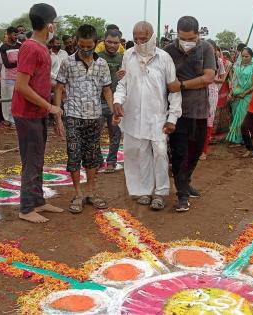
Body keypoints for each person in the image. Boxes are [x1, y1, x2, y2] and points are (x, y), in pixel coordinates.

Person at [113, 21, 182, 210]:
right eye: (135, 38)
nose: (139, 42)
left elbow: (174, 90)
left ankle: (160, 193)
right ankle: (144, 190)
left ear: (152, 36)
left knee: (160, 153)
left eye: (143, 39)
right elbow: (123, 84)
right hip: (134, 116)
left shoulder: (164, 58)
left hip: (157, 117)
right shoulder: (128, 56)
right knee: (138, 153)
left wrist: (172, 118)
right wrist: (117, 101)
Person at [11, 3, 64, 223]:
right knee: (31, 160)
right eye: (55, 22)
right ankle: (26, 208)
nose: (57, 26)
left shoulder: (42, 48)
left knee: (38, 158)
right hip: (27, 113)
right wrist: (50, 106)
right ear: (49, 25)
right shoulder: (31, 48)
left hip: (38, 112)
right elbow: (21, 86)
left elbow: (38, 80)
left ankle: (38, 200)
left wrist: (57, 89)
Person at [54, 24, 113, 213]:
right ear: (76, 42)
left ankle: (91, 193)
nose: (86, 49)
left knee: (92, 156)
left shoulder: (102, 64)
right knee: (74, 154)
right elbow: (59, 88)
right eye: (82, 45)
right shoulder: (67, 63)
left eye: (90, 46)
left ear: (96, 43)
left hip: (95, 117)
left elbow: (106, 89)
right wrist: (57, 115)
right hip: (72, 115)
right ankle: (78, 194)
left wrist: (112, 111)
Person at [164, 16, 216, 212]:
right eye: (183, 38)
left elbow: (208, 77)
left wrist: (182, 85)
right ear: (176, 33)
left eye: (191, 38)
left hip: (199, 110)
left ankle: (186, 182)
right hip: (176, 112)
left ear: (198, 34)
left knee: (195, 152)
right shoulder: (168, 50)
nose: (187, 42)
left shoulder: (206, 48)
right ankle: (182, 194)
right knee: (180, 153)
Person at [98, 29, 124, 173]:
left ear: (120, 43)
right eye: (109, 42)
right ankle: (98, 161)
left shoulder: (124, 58)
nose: (112, 45)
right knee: (96, 133)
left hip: (116, 102)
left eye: (116, 42)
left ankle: (111, 162)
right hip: (98, 101)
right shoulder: (97, 57)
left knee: (115, 134)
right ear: (104, 41)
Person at [201, 40, 226, 160]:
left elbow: (222, 79)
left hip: (211, 93)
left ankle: (204, 151)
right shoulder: (199, 59)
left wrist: (210, 79)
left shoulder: (219, 62)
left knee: (208, 122)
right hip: (198, 91)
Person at [226, 47, 253, 144]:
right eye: (242, 56)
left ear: (251, 56)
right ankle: (236, 139)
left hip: (247, 96)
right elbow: (233, 81)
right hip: (236, 96)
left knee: (243, 119)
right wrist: (231, 93)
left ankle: (244, 139)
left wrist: (245, 93)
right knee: (235, 116)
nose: (244, 58)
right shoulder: (237, 67)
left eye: (247, 56)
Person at [0, 26, 21, 128]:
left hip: (21, 76)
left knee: (20, 99)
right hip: (10, 77)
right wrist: (19, 62)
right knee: (11, 99)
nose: (16, 36)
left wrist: (17, 62)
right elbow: (7, 64)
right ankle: (11, 120)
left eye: (17, 35)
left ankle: (18, 119)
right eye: (14, 35)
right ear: (8, 34)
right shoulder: (4, 47)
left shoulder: (20, 45)